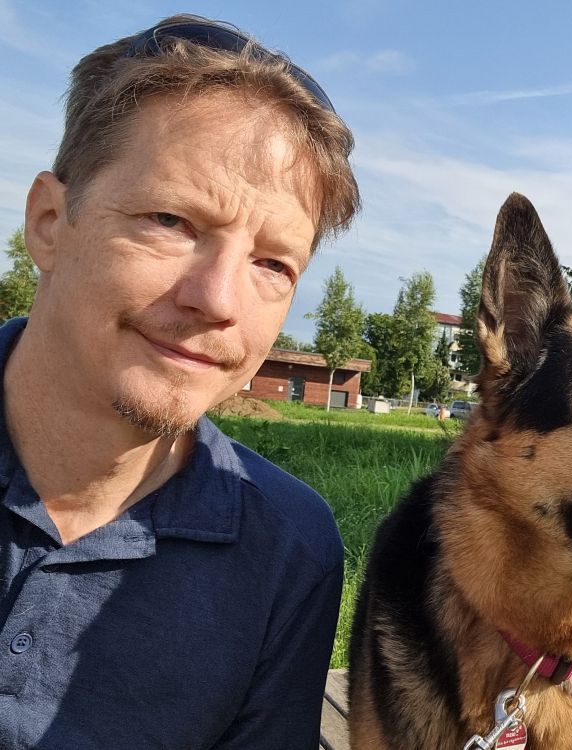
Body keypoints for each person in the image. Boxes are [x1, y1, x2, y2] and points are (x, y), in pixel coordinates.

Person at [0, 15, 359, 749]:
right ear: (48, 221)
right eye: (171, 220)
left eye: (272, 264)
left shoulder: (290, 550)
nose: (217, 301)